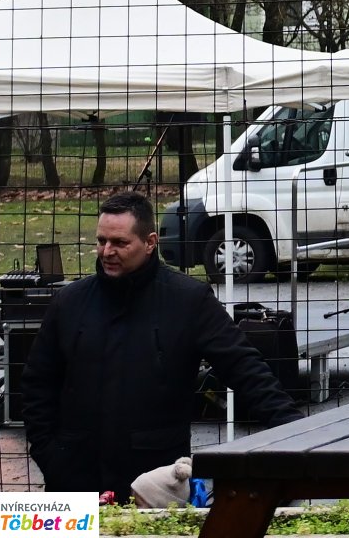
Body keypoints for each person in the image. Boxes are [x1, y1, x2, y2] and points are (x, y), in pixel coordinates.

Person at [22, 191, 303, 499]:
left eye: (119, 243)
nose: (106, 252)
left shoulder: (189, 301)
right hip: (74, 477)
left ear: (150, 242)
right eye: (101, 241)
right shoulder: (69, 303)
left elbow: (244, 368)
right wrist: (52, 457)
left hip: (155, 484)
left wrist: (296, 436)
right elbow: (37, 384)